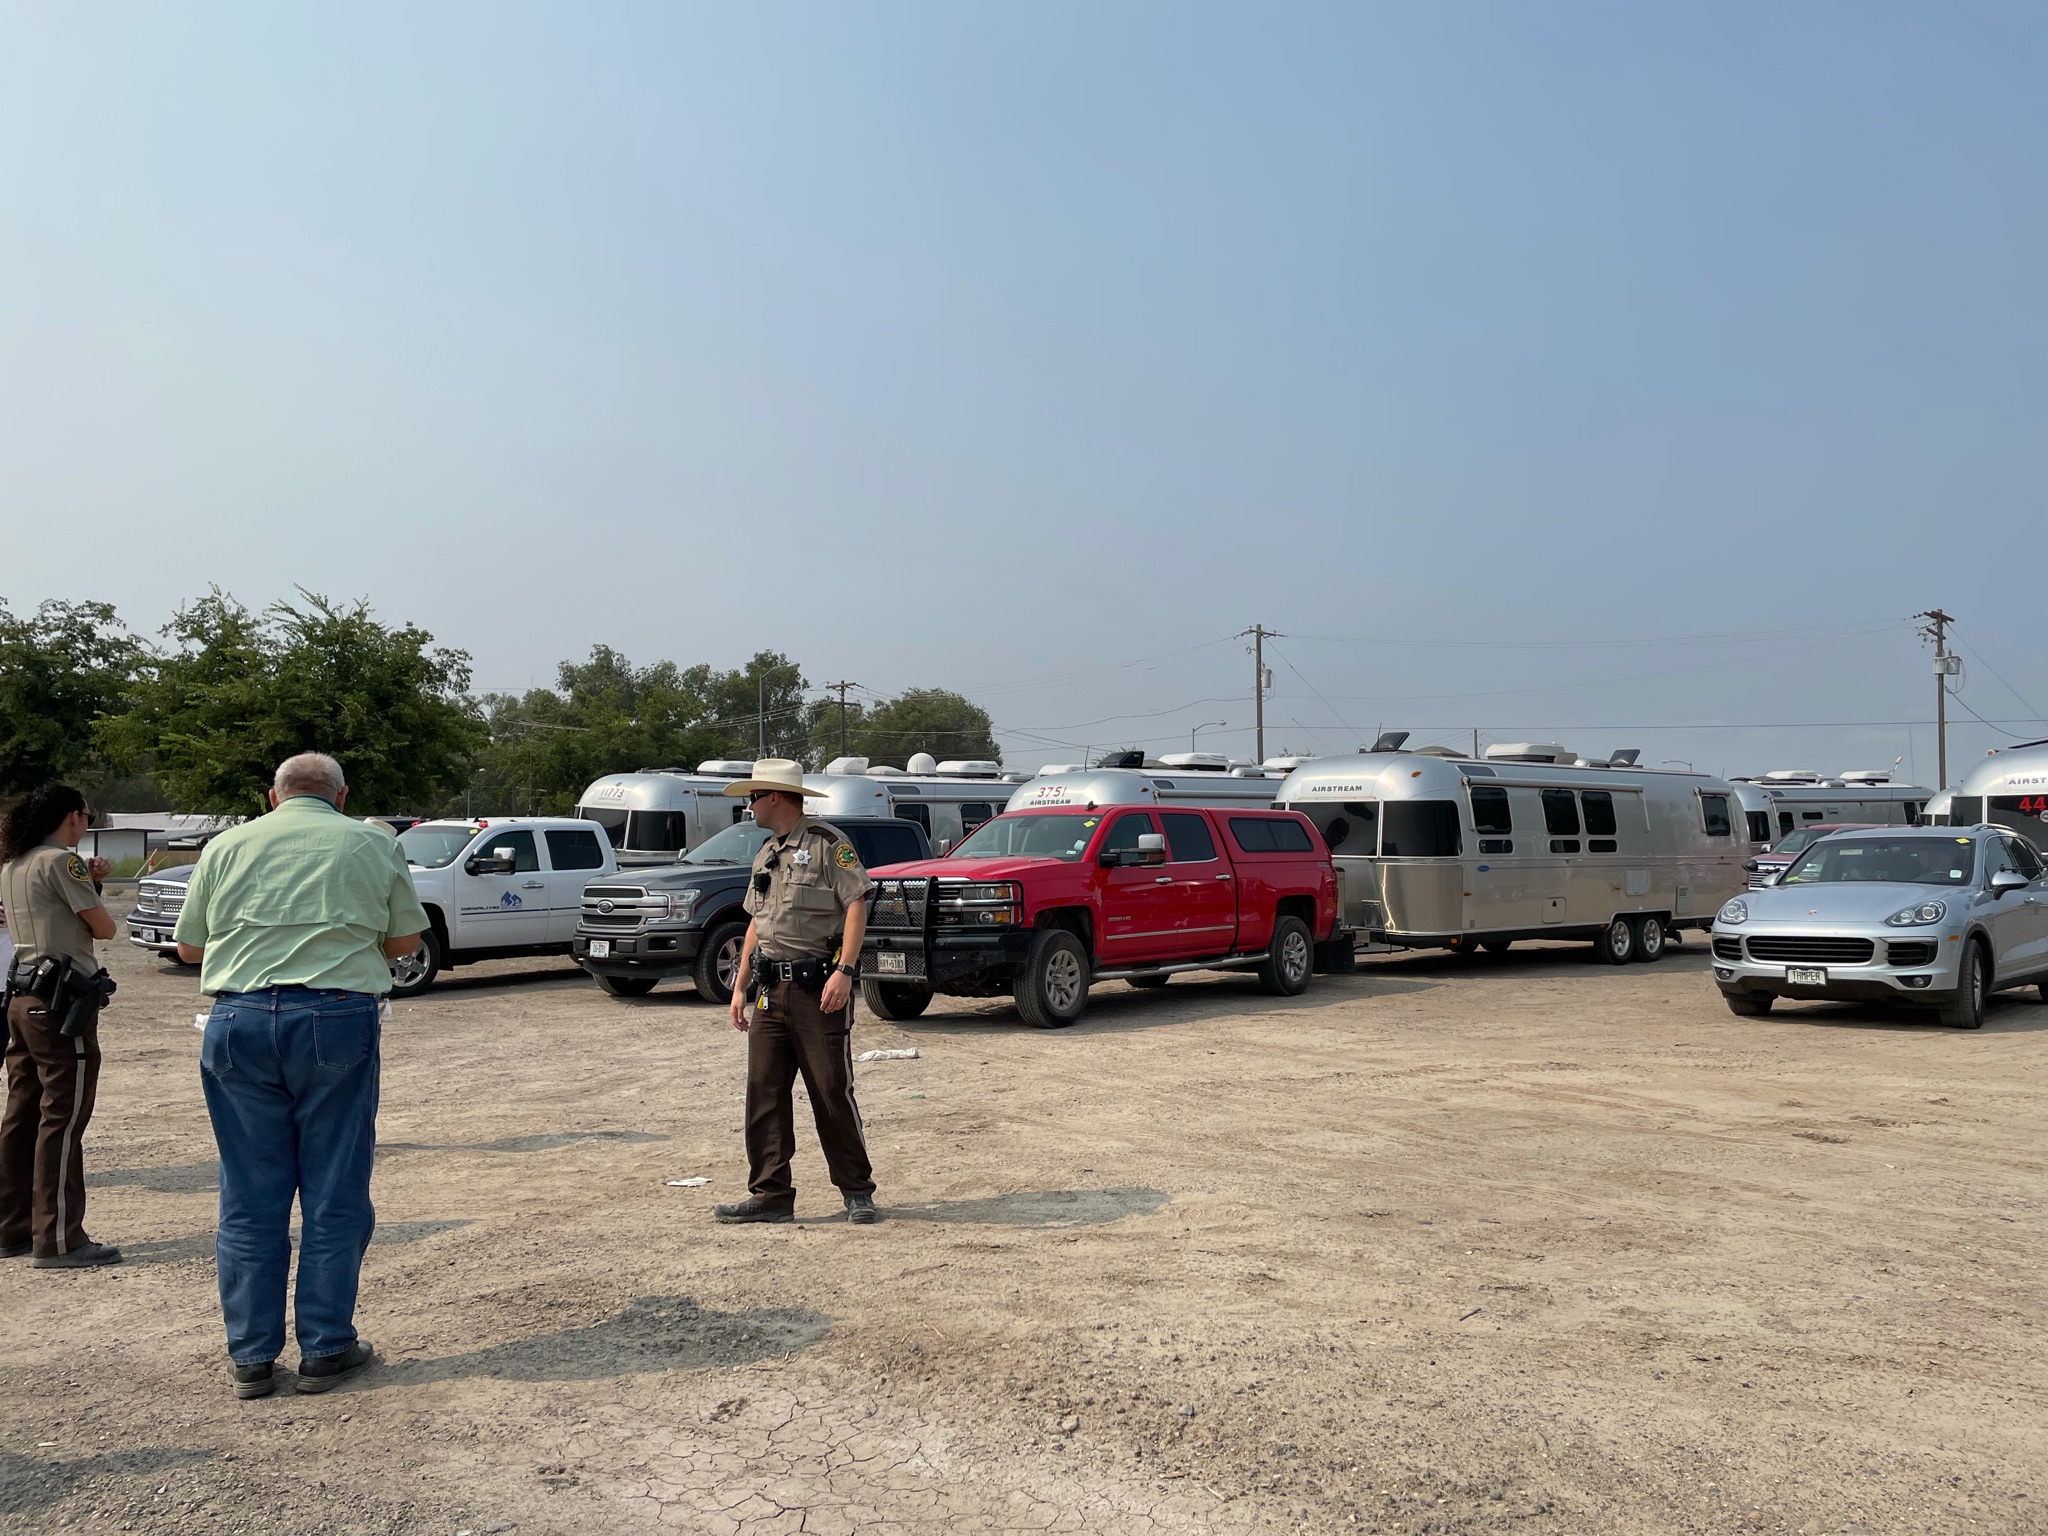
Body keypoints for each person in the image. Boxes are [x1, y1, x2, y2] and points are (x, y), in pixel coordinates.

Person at [173, 752, 428, 1399]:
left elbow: (189, 947)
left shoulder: (226, 847)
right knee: (333, 1186)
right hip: (334, 1016)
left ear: (273, 796)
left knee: (249, 1193)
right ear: (341, 796)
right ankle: (326, 1347)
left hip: (237, 1018)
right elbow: (404, 943)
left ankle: (252, 1357)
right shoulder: (372, 843)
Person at [710, 759, 880, 1226]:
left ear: (775, 797)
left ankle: (857, 1191)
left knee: (830, 1090)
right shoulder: (766, 852)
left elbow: (856, 904)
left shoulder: (827, 845)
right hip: (770, 989)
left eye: (754, 797)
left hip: (817, 988)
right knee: (763, 1093)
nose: (749, 807)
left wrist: (845, 971)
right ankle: (771, 1196)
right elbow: (756, 922)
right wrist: (740, 985)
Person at [0, 785, 120, 1269]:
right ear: (72, 816)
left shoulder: (13, 864)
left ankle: (12, 1227)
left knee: (22, 1113)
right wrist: (89, 886)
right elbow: (104, 928)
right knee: (63, 1119)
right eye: (86, 817)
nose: (85, 824)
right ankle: (59, 1237)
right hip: (59, 1003)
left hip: (22, 996)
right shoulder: (62, 862)